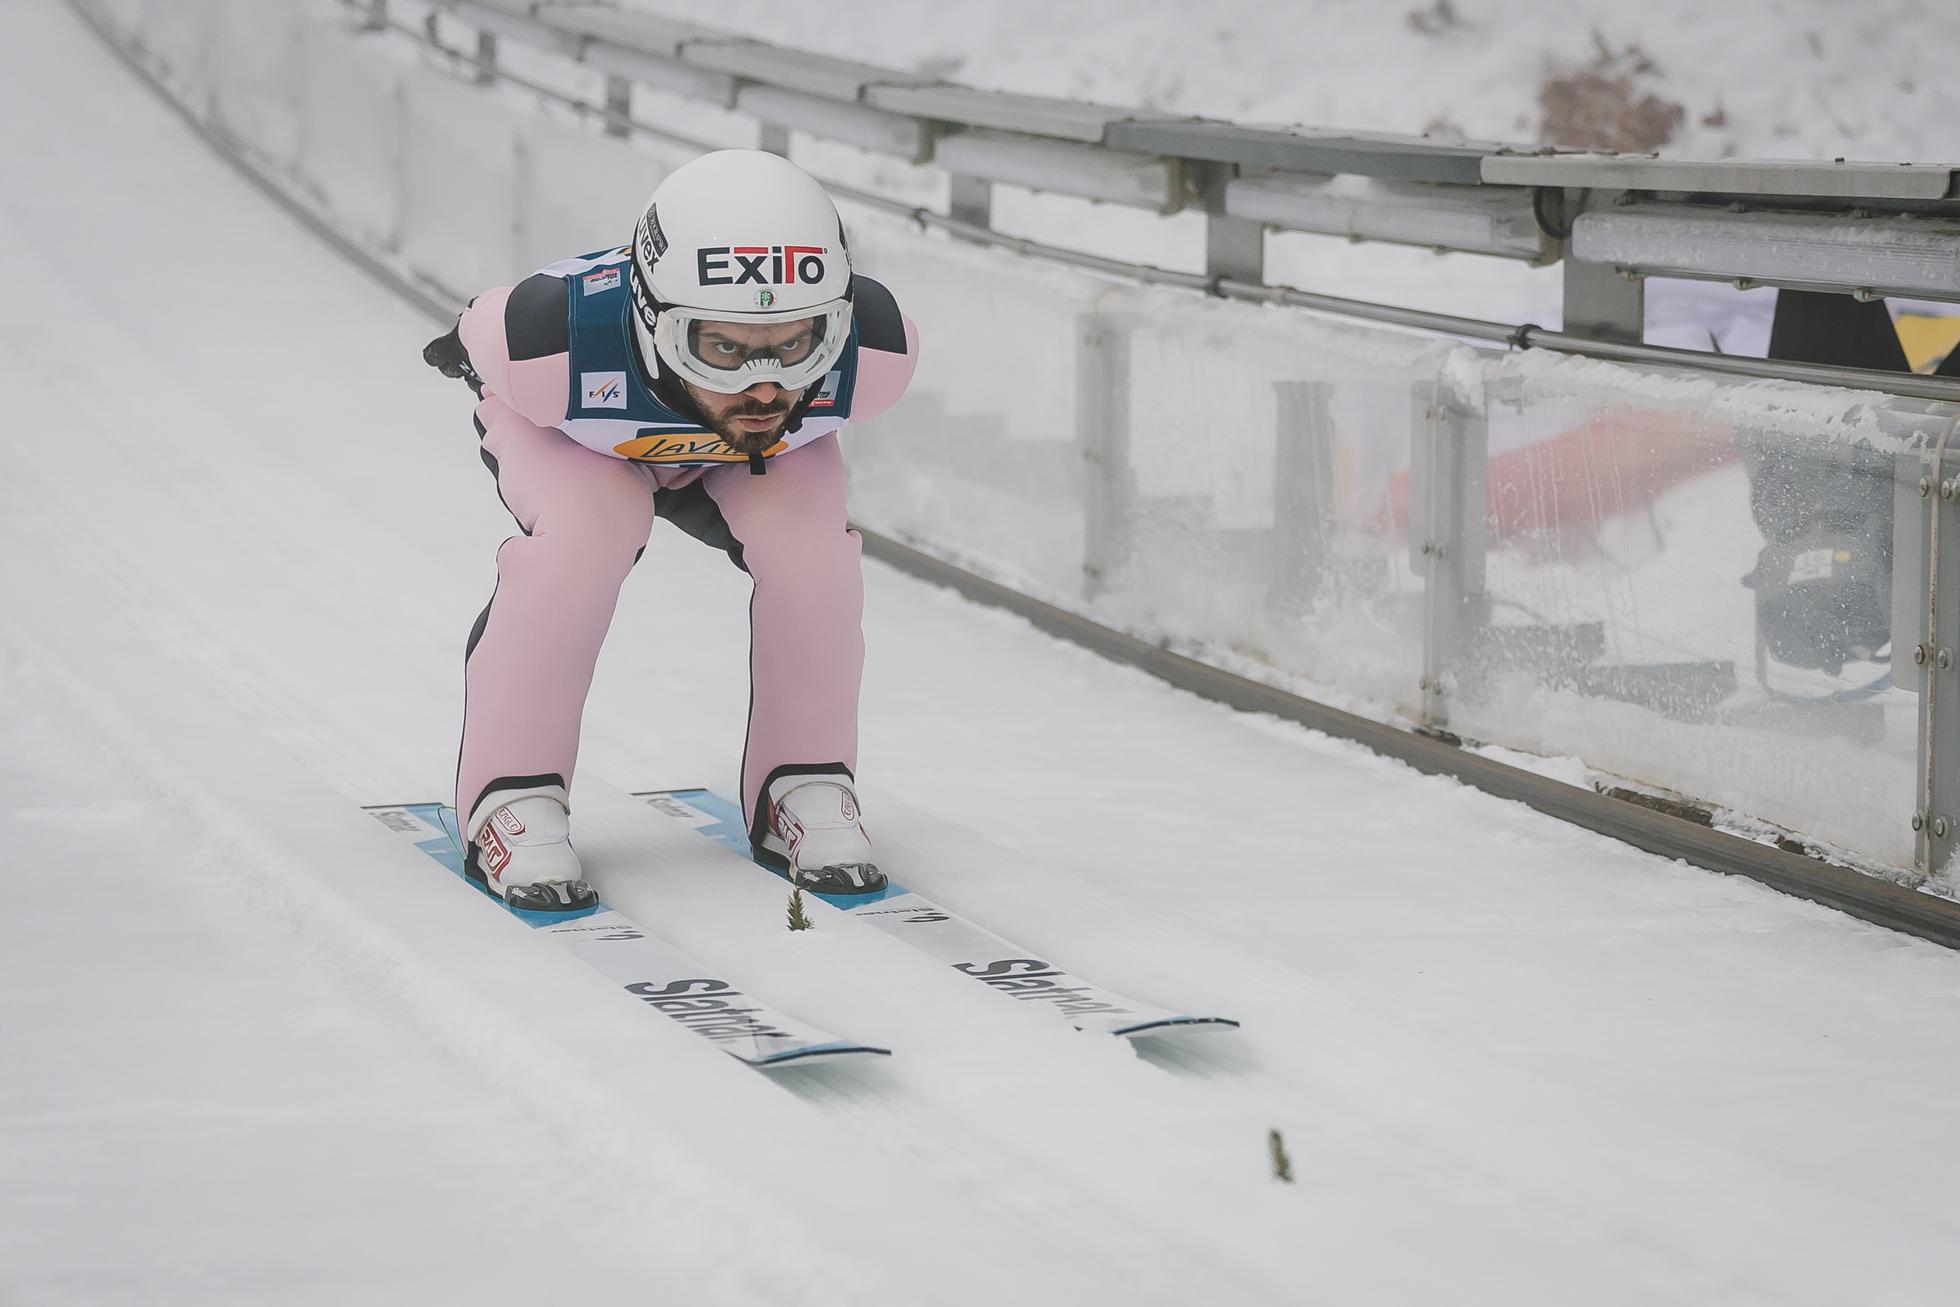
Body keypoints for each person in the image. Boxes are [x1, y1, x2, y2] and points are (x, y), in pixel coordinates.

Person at [422, 149, 919, 912]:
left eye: (798, 345)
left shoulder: (874, 352)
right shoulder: (544, 341)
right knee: (582, 541)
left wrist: (730, 369)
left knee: (813, 555)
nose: (763, 386)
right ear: (652, 320)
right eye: (720, 348)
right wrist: (465, 341)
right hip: (576, 443)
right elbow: (480, 324)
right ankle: (512, 791)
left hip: (753, 452)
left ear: (839, 323)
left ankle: (808, 776)